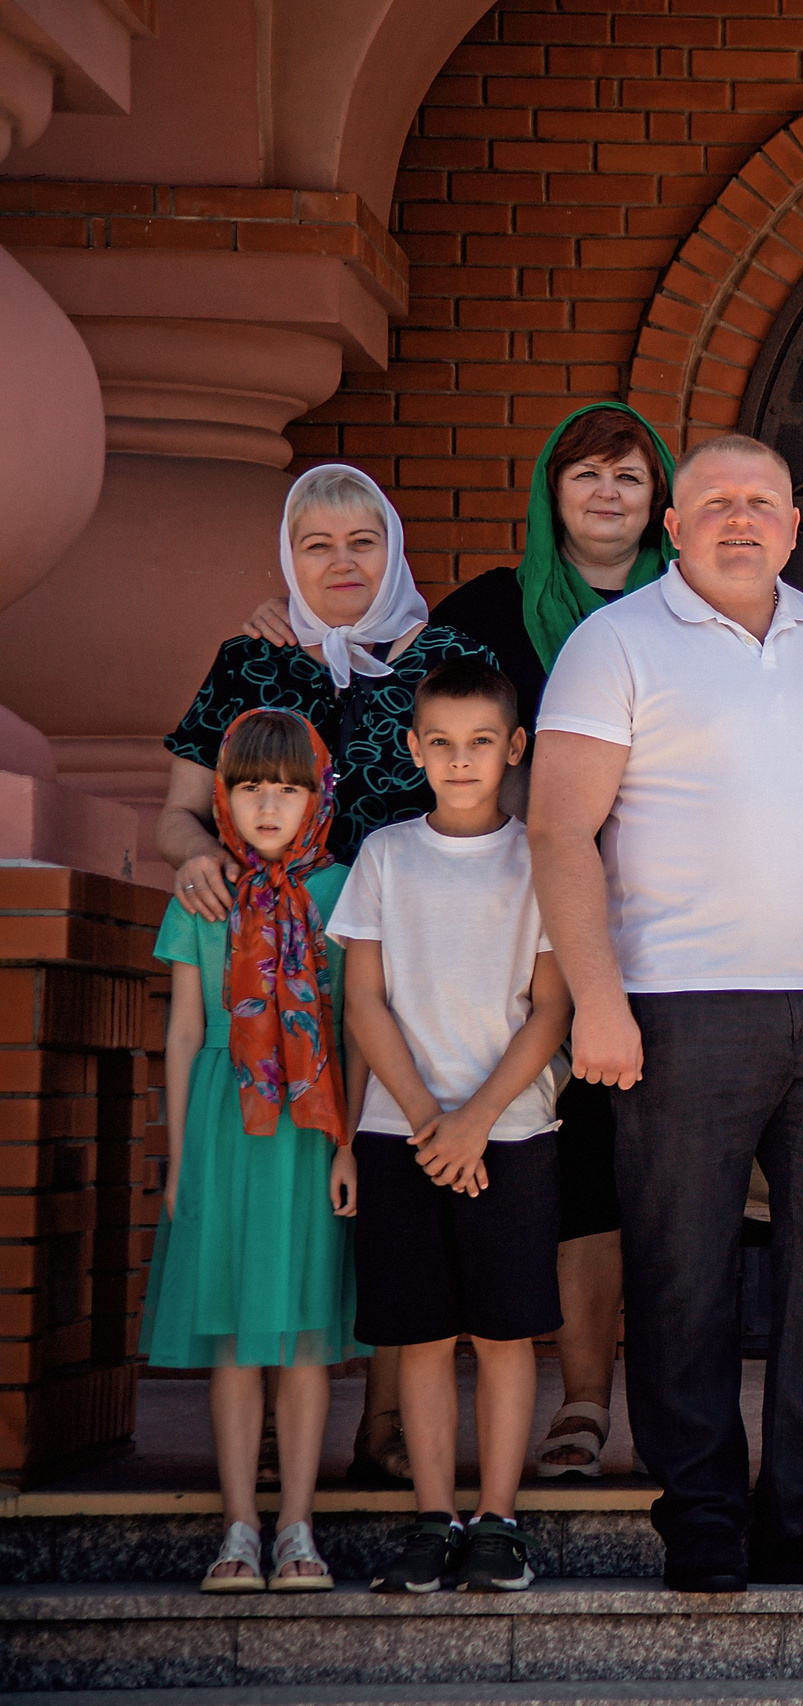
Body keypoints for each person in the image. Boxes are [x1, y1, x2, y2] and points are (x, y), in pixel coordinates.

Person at [237, 405, 681, 1481]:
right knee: (471, 1161)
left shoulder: (691, 603)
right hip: (502, 913)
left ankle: (586, 1401)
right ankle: (393, 1422)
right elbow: (399, 718)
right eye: (586, 474)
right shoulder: (484, 609)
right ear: (550, 491)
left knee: (605, 1162)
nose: (607, 494)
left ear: (660, 496)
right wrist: (294, 636)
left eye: (629, 475)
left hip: (661, 916)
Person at [530, 432, 803, 1594]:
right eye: (715, 501)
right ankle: (701, 1511)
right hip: (675, 1007)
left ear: (796, 525)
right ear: (674, 524)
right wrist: (598, 1000)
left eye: (761, 500)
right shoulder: (615, 643)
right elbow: (558, 830)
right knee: (681, 1269)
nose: (740, 518)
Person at [167, 462, 499, 1488]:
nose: (341, 562)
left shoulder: (447, 656)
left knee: (393, 1182)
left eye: (363, 541)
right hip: (287, 963)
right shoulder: (251, 660)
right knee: (294, 1194)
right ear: (289, 556)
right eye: (317, 545)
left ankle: (384, 1423)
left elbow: (504, 795)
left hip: (420, 958)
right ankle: (275, 1417)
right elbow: (178, 808)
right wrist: (193, 852)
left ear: (393, 549)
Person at [333, 658, 572, 1595]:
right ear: (414, 748)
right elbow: (363, 1002)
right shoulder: (386, 857)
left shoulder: (540, 860)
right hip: (402, 1132)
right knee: (423, 1337)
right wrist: (432, 1122)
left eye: (480, 742)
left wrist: (474, 1121)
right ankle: (434, 1517)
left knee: (507, 1336)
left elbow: (551, 1009)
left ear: (515, 747)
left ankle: (499, 1521)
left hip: (512, 1132)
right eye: (441, 743)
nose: (461, 760)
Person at [142, 709, 365, 1594]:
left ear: (318, 796)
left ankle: (298, 1525)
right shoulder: (201, 895)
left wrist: (349, 1146)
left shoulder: (345, 891)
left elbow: (356, 1028)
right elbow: (183, 1030)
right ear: (222, 799)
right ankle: (238, 1525)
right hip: (223, 1126)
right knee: (235, 1338)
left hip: (312, 1133)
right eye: (248, 789)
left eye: (288, 789)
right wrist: (178, 1157)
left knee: (305, 1338)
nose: (268, 807)